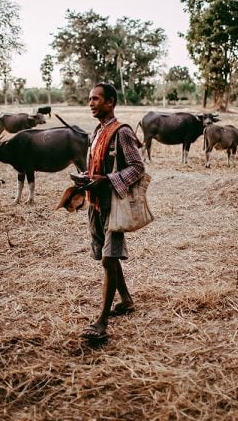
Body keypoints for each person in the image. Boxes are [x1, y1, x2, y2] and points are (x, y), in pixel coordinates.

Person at [80, 82, 144, 340]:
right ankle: (126, 301)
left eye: (96, 99)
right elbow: (98, 166)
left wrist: (108, 180)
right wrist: (87, 177)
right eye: (90, 99)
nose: (91, 103)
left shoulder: (122, 132)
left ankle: (102, 323)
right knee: (109, 257)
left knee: (109, 259)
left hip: (114, 205)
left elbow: (138, 167)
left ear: (111, 102)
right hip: (96, 204)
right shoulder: (96, 132)